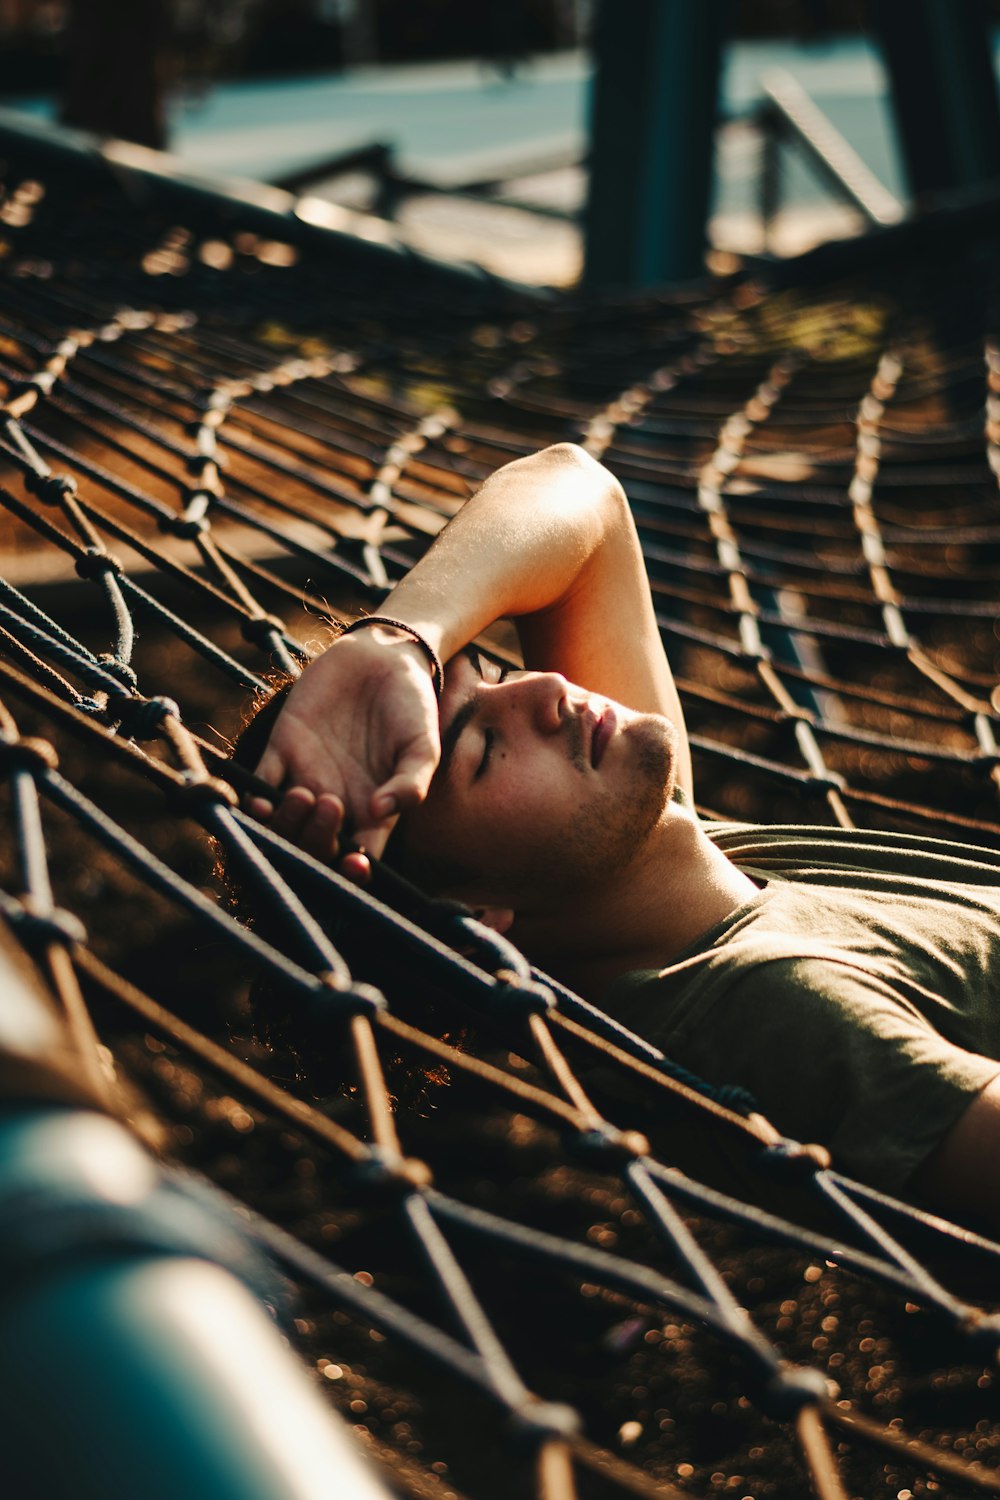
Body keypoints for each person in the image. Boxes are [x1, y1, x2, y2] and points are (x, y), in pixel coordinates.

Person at [246, 443, 1000, 1232]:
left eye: (495, 678)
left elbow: (581, 491)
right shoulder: (764, 1016)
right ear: (469, 912)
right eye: (483, 748)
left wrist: (401, 641)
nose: (545, 690)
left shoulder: (674, 862)